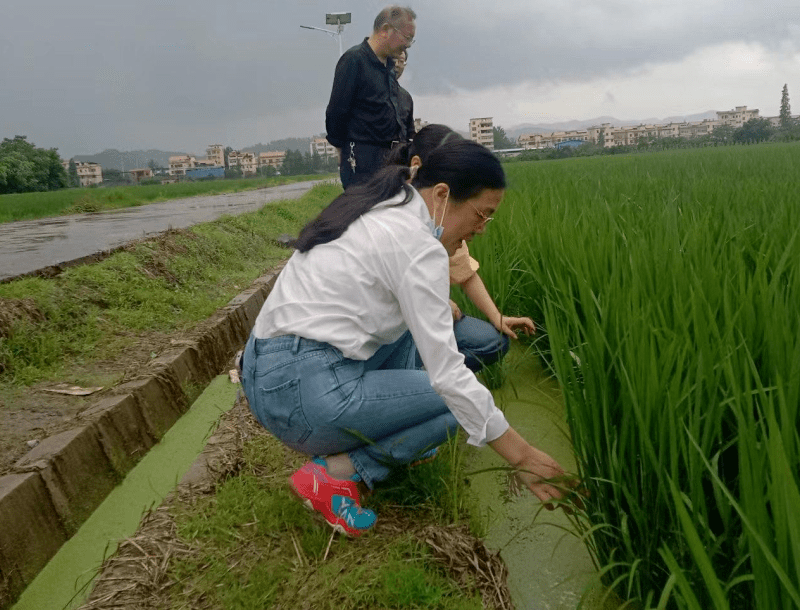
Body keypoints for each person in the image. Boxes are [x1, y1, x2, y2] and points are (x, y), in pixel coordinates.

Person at [239, 137, 568, 537]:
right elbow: (450, 378)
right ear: (443, 194)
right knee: (457, 406)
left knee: (424, 350)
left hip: (266, 370)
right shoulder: (418, 245)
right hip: (298, 395)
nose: (482, 229)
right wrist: (524, 456)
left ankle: (395, 442)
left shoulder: (381, 206)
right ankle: (333, 474)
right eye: (481, 215)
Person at [387, 124, 535, 372]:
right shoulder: (394, 217)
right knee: (444, 397)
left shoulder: (442, 222)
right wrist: (440, 303)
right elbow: (392, 290)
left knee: (493, 342)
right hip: (388, 331)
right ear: (417, 164)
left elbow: (463, 267)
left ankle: (420, 379)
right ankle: (407, 384)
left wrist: (496, 316)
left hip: (423, 315)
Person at [326, 5, 417, 190]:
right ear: (385, 30)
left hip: (393, 165)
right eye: (407, 38)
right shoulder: (354, 61)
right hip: (364, 166)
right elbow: (336, 114)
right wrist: (343, 151)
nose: (407, 45)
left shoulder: (389, 67)